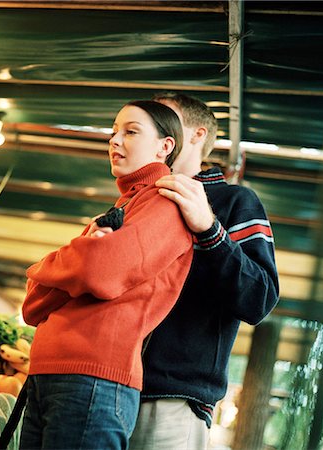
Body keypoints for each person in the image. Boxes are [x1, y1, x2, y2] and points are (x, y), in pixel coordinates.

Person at [19, 100, 195, 450]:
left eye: (131, 131)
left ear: (165, 146)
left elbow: (100, 271)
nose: (114, 140)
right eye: (113, 132)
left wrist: (52, 266)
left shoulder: (168, 202)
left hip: (93, 378)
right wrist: (78, 261)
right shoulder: (118, 209)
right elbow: (32, 304)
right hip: (50, 372)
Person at [127, 93, 280, 450]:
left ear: (196, 135)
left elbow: (260, 299)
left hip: (171, 398)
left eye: (165, 118)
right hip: (105, 387)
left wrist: (210, 231)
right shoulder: (135, 203)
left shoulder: (236, 203)